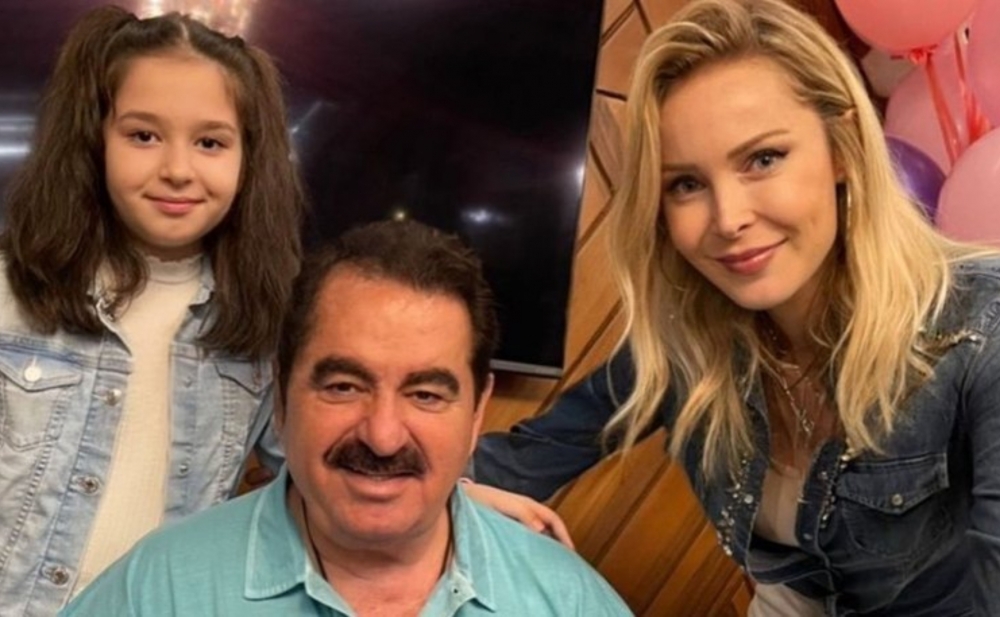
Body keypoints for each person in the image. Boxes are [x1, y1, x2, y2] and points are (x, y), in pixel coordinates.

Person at [466, 0, 1000, 614]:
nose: (728, 218)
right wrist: (448, 493)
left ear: (844, 146)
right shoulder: (686, 345)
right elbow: (519, 460)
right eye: (686, 184)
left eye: (763, 159)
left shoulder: (982, 328)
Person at [60, 219, 633, 616]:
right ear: (282, 396)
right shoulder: (158, 591)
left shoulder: (569, 603)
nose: (383, 436)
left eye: (426, 395)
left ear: (477, 411)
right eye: (343, 387)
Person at [0, 6, 303, 615]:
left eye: (210, 142)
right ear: (94, 139)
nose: (177, 170)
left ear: (249, 157)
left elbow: (325, 467)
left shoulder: (269, 319)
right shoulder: (12, 287)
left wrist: (462, 501)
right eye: (143, 135)